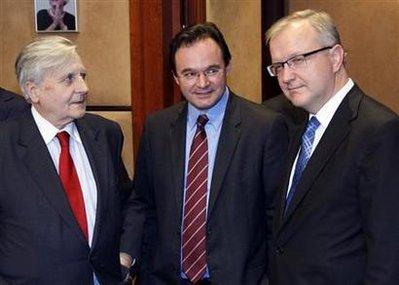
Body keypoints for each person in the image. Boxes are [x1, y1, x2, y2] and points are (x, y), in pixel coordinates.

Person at [120, 22, 288, 284]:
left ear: (228, 67)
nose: (202, 83)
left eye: (212, 70)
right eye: (189, 74)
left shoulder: (265, 127)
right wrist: (127, 256)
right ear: (175, 77)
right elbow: (142, 202)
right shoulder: (157, 127)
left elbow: (275, 218)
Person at [265, 9, 399, 284]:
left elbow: (388, 251)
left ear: (336, 57)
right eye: (279, 66)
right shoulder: (293, 124)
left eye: (297, 60)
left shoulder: (377, 130)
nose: (286, 76)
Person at [0, 36, 132, 284]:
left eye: (82, 75)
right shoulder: (5, 146)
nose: (83, 88)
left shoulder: (105, 134)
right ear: (33, 90)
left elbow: (128, 202)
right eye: (68, 79)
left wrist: (125, 256)